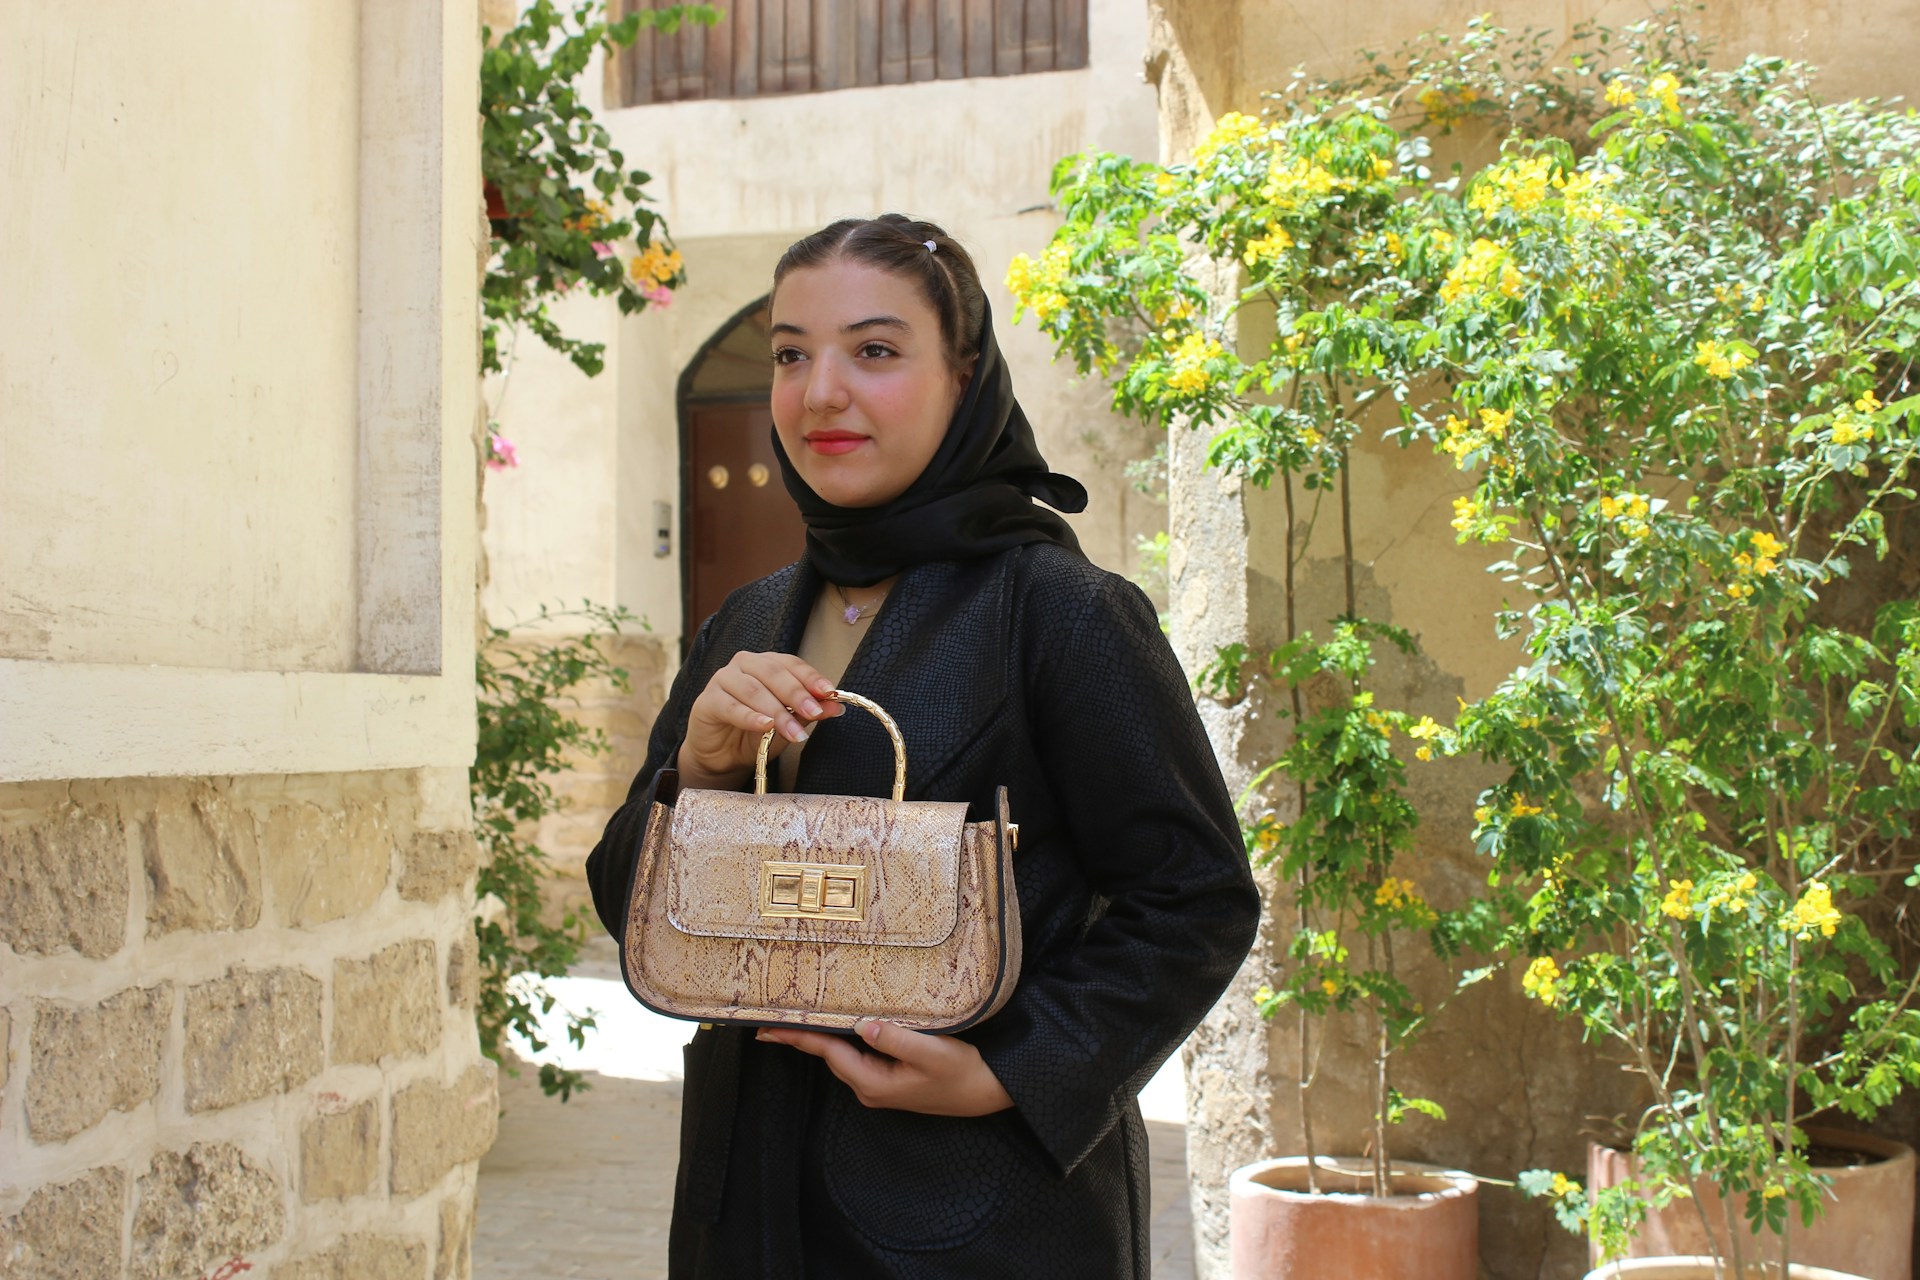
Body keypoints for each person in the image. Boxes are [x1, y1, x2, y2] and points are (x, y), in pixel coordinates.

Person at [585, 214, 1260, 1278]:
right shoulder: (748, 620)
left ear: (965, 375)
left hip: (975, 1214)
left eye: (876, 350)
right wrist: (703, 771)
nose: (821, 393)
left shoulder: (1064, 615)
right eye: (791, 354)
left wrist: (1009, 1067)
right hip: (745, 1210)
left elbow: (1195, 898)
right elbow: (630, 906)